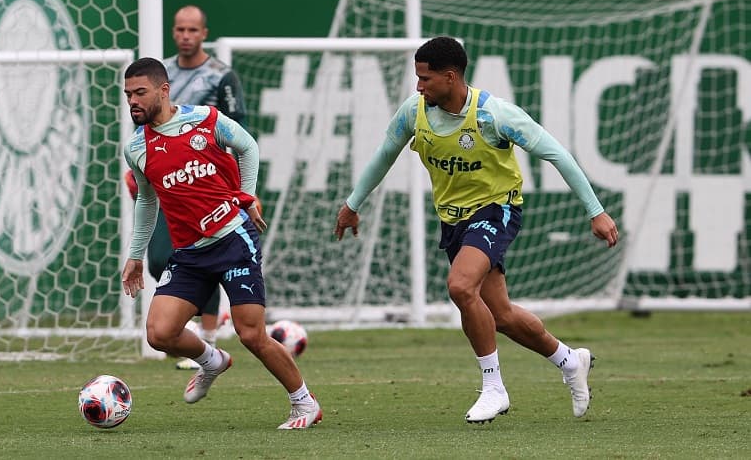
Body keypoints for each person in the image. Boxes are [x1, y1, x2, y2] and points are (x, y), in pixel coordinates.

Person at [334, 37, 618, 424]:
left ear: (451, 77)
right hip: (453, 220)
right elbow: (385, 154)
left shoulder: (494, 115)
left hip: (496, 210)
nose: (419, 86)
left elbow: (557, 154)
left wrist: (596, 211)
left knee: (460, 286)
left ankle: (493, 388)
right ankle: (570, 360)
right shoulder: (413, 113)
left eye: (425, 78)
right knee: (499, 314)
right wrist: (353, 204)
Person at [121, 57, 322, 430]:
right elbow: (147, 200)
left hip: (232, 239)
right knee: (159, 334)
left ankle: (304, 403)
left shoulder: (206, 119)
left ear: (164, 91)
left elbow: (248, 146)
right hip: (190, 252)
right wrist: (135, 256)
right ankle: (212, 360)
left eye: (140, 93)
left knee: (251, 334)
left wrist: (245, 198)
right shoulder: (137, 147)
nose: (133, 101)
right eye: (128, 94)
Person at [124, 4, 248, 370]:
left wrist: (238, 187)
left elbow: (238, 132)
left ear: (203, 33)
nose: (185, 36)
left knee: (208, 254)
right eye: (180, 29)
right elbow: (144, 127)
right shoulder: (158, 72)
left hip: (207, 183)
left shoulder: (220, 76)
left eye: (193, 30)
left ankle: (208, 336)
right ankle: (196, 333)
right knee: (160, 258)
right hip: (166, 178)